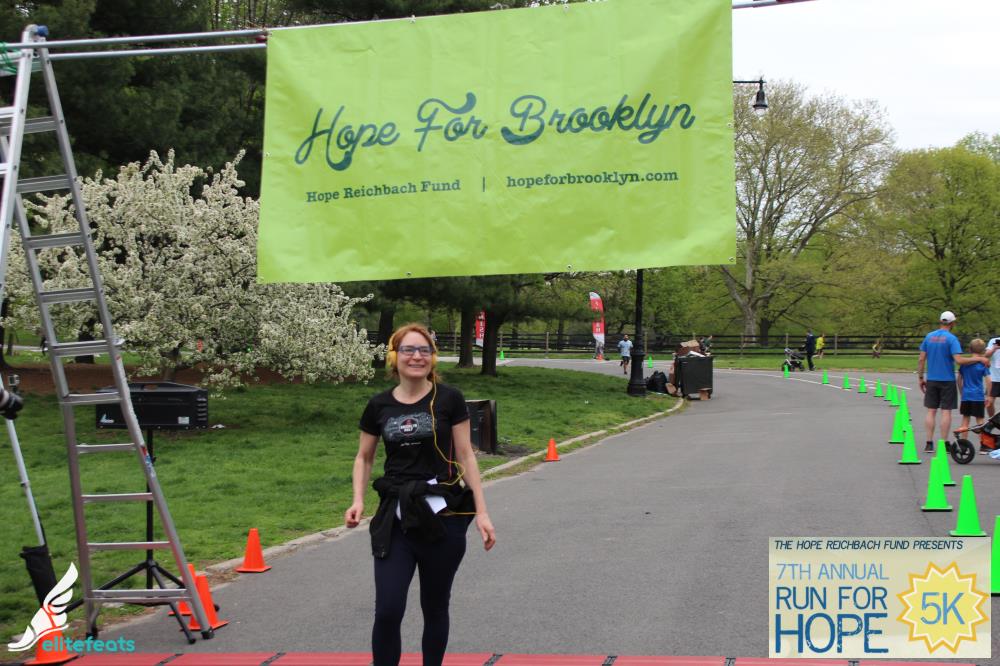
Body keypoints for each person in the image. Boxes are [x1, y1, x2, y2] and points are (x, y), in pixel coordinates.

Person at [347, 323, 496, 666]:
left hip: (443, 519)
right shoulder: (379, 405)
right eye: (409, 350)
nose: (417, 356)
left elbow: (466, 455)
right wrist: (358, 500)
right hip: (395, 518)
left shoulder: (449, 399)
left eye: (424, 350)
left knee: (435, 606)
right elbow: (364, 457)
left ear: (433, 357)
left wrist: (482, 512)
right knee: (388, 610)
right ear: (394, 357)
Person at [917, 311, 988, 454]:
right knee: (946, 412)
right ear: (952, 323)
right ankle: (944, 443)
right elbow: (959, 360)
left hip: (932, 378)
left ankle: (929, 443)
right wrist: (979, 358)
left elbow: (921, 359)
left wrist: (920, 377)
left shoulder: (929, 336)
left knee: (931, 411)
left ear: (940, 321)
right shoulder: (951, 339)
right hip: (947, 379)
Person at [956, 338, 991, 453]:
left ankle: (963, 446)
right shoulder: (982, 365)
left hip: (966, 396)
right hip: (978, 396)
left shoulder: (965, 365)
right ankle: (984, 445)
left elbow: (959, 380)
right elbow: (988, 381)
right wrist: (988, 395)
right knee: (980, 421)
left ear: (970, 349)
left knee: (965, 420)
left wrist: (962, 392)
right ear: (983, 351)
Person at [986, 335, 1000, 418]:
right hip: (994, 378)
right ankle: (992, 420)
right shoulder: (994, 341)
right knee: (989, 403)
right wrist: (994, 349)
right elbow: (986, 355)